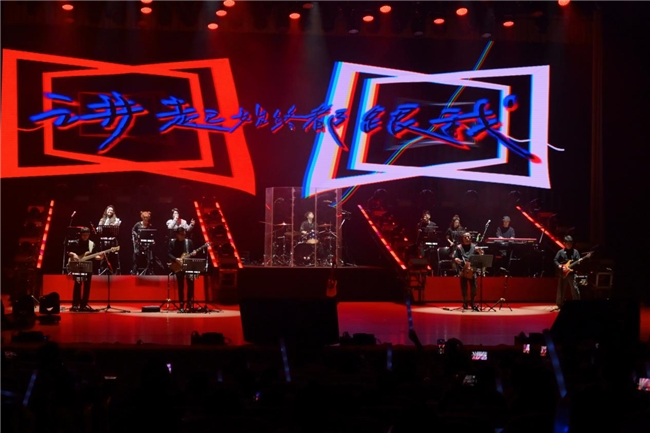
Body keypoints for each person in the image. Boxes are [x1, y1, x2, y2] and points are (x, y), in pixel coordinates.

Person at [67, 227, 104, 312]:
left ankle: (84, 304)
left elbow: (95, 256)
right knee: (78, 284)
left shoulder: (91, 244)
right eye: (83, 235)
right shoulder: (76, 243)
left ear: (89, 235)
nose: (85, 236)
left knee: (87, 286)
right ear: (81, 235)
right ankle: (75, 304)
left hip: (87, 266)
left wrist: (100, 257)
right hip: (78, 266)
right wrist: (73, 254)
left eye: (86, 235)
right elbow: (68, 252)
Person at [452, 232, 483, 311]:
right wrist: (456, 259)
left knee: (474, 287)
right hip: (463, 269)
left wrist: (480, 253)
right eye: (465, 237)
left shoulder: (474, 247)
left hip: (472, 269)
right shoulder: (459, 247)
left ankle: (472, 302)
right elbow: (455, 257)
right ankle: (465, 303)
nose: (467, 238)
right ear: (462, 238)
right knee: (464, 288)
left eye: (468, 237)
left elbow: (481, 258)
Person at [167, 227, 195, 312]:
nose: (183, 236)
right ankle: (181, 303)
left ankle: (189, 302)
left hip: (188, 265)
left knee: (190, 284)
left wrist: (194, 253)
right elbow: (168, 253)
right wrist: (176, 259)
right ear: (177, 235)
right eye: (181, 234)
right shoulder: (172, 243)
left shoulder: (189, 242)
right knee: (180, 285)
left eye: (184, 234)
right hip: (178, 265)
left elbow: (192, 252)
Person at [553, 235, 581, 310]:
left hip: (572, 273)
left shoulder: (575, 252)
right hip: (563, 273)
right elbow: (555, 260)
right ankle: (559, 304)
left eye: (570, 243)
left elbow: (578, 261)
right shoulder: (560, 252)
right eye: (568, 243)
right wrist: (559, 265)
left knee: (574, 288)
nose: (569, 245)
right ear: (564, 243)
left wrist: (578, 263)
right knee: (561, 289)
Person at [131, 210, 153, 275]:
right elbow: (133, 230)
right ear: (142, 217)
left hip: (146, 243)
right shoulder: (138, 224)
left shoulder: (149, 225)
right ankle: (134, 270)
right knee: (136, 256)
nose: (146, 219)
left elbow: (151, 233)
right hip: (138, 243)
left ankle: (149, 269)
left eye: (147, 218)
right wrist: (136, 236)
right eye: (145, 218)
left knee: (150, 254)